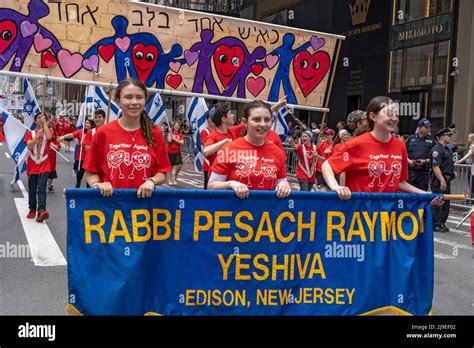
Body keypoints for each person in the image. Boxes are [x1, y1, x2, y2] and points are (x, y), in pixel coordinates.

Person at [322, 96, 444, 207]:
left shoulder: (400, 145)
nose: (394, 118)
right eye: (389, 114)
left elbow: (398, 182)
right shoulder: (356, 144)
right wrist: (336, 186)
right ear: (373, 116)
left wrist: (425, 195)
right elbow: (327, 165)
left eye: (396, 114)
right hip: (358, 214)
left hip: (386, 215)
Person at [84, 78, 171, 197]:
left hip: (143, 207)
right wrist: (97, 184)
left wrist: (152, 181)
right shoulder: (103, 132)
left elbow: (162, 172)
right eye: (128, 97)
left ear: (145, 100)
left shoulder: (155, 133)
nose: (134, 102)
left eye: (139, 97)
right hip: (110, 206)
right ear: (118, 101)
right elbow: (90, 171)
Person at [208, 100, 291, 199]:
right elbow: (211, 186)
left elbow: (281, 180)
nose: (263, 124)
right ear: (246, 123)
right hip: (234, 212)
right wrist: (231, 184)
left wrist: (284, 185)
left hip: (267, 212)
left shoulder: (277, 152)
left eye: (267, 120)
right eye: (257, 120)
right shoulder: (229, 149)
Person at [24, 112, 53, 222]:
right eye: (39, 117)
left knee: (41, 188)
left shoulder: (48, 132)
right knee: (32, 188)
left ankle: (41, 210)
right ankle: (32, 208)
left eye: (43, 117)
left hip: (44, 164)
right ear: (35, 120)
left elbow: (49, 137)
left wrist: (45, 125)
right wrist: (37, 136)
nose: (41, 119)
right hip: (32, 165)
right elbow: (29, 146)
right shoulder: (29, 133)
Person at [430, 127, 456, 232]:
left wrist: (452, 172)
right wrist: (442, 180)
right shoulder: (436, 149)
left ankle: (442, 222)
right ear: (441, 137)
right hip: (439, 180)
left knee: (446, 202)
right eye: (448, 135)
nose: (450, 137)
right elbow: (435, 167)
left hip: (447, 178)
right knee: (438, 201)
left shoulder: (447, 149)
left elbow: (446, 164)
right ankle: (435, 223)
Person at [59, 119, 94, 188]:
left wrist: (86, 144)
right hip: (80, 156)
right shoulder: (81, 132)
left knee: (88, 175)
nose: (85, 124)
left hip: (89, 158)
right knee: (79, 174)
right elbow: (71, 135)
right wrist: (63, 137)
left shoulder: (94, 133)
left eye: (87, 123)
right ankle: (78, 185)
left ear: (92, 125)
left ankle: (88, 190)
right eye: (85, 123)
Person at [406, 119, 435, 191]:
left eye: (429, 127)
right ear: (420, 128)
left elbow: (434, 156)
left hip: (423, 172)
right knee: (409, 193)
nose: (429, 129)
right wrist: (408, 160)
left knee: (422, 193)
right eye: (427, 127)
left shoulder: (432, 141)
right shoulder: (411, 138)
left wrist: (426, 161)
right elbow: (403, 153)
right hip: (411, 171)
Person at [455, 133, 474, 199]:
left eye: (468, 137)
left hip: (472, 168)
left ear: (472, 138)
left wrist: (460, 161)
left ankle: (472, 199)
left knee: (472, 183)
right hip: (471, 167)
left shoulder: (473, 145)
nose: (467, 139)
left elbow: (469, 154)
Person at [200, 111, 215, 189]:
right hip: (208, 163)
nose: (212, 119)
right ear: (207, 119)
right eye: (210, 117)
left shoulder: (219, 131)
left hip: (218, 163)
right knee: (207, 186)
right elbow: (205, 148)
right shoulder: (205, 131)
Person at [166, 121, 184, 186]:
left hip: (177, 152)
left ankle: (175, 178)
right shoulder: (170, 133)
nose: (176, 126)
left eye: (178, 125)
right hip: (170, 152)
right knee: (170, 167)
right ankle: (170, 179)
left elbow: (182, 143)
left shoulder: (180, 134)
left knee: (180, 165)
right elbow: (169, 140)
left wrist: (175, 139)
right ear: (173, 126)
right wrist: (170, 133)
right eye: (175, 125)